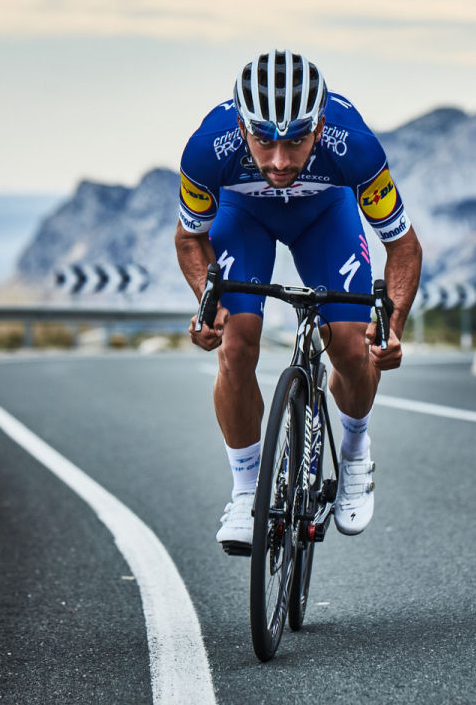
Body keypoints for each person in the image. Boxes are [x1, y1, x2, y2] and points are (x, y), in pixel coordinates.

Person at [175, 49, 422, 553]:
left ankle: (355, 451)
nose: (280, 161)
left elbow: (402, 246)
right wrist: (207, 304)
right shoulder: (206, 150)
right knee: (236, 344)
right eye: (264, 140)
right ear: (242, 128)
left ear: (320, 126)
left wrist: (392, 329)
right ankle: (247, 491)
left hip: (325, 216)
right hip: (244, 215)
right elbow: (189, 238)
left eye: (296, 141)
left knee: (352, 347)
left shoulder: (355, 146)